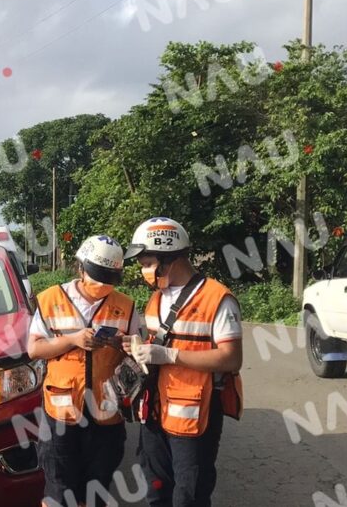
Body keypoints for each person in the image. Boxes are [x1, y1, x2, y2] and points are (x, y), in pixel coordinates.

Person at [122, 217, 244, 507]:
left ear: (169, 259)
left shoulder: (217, 299)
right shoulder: (156, 299)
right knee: (156, 491)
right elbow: (158, 345)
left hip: (195, 416)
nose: (143, 270)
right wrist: (140, 348)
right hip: (154, 411)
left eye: (147, 262)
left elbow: (231, 358)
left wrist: (170, 355)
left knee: (189, 496)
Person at [27, 235, 135, 507]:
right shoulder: (50, 299)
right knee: (59, 487)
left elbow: (137, 350)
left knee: (97, 488)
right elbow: (34, 350)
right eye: (98, 276)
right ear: (80, 268)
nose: (103, 284)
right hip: (61, 411)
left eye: (109, 278)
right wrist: (72, 340)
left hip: (106, 410)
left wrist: (123, 344)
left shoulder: (125, 305)